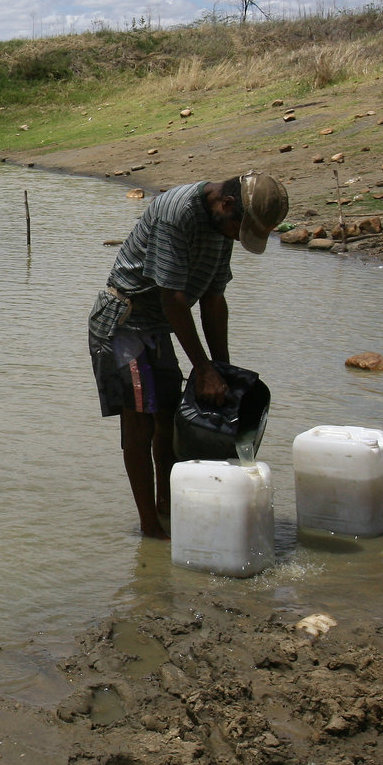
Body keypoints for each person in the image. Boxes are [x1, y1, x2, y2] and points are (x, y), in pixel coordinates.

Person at [88, 172, 289, 539]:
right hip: (126, 321)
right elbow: (173, 298)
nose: (234, 238)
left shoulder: (223, 223)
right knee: (140, 425)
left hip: (160, 327)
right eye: (237, 229)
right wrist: (203, 368)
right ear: (226, 205)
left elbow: (213, 299)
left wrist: (221, 369)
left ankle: (169, 507)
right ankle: (151, 527)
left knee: (170, 422)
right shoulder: (177, 212)